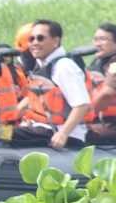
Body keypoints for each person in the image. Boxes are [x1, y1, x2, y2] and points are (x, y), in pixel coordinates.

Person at [14, 19, 92, 148]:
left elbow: (82, 105)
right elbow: (33, 98)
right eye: (31, 39)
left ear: (55, 41)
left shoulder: (64, 67)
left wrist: (62, 134)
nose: (34, 43)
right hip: (41, 128)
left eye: (40, 38)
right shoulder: (42, 65)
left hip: (60, 132)